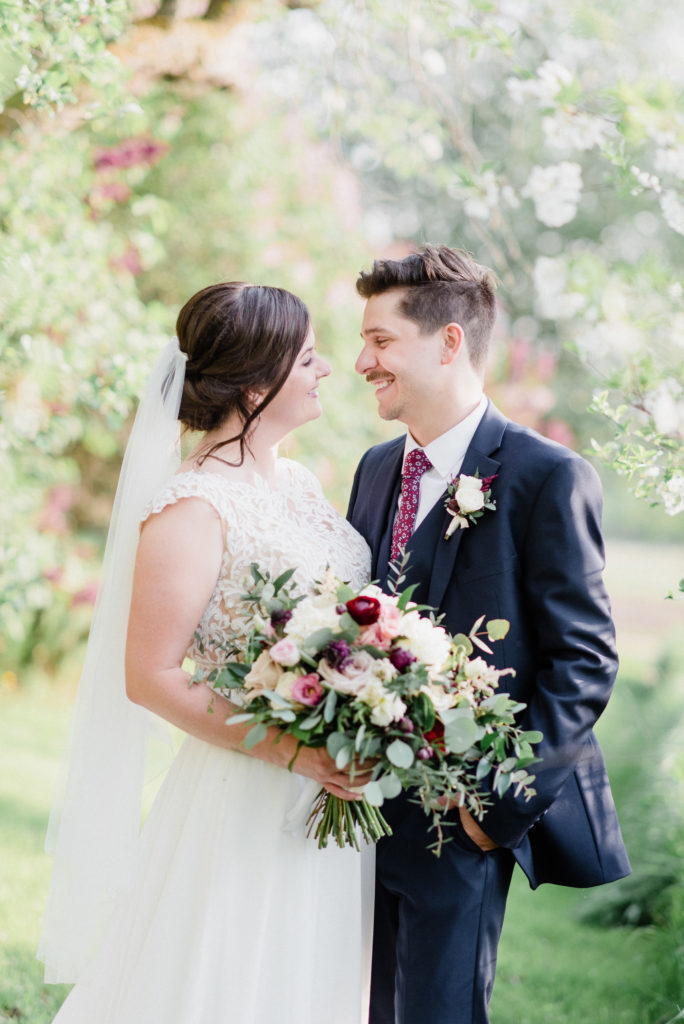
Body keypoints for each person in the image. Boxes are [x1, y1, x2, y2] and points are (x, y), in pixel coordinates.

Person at [39, 282, 374, 1024]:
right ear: (256, 383)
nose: (327, 371)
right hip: (244, 791)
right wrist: (294, 750)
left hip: (328, 785)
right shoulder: (191, 505)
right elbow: (151, 676)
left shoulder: (296, 482)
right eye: (310, 359)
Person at [347, 245, 631, 1024]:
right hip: (358, 805)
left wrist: (496, 805)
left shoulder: (548, 476)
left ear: (449, 342)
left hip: (460, 816)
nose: (362, 360)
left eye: (380, 339)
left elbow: (585, 658)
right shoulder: (375, 469)